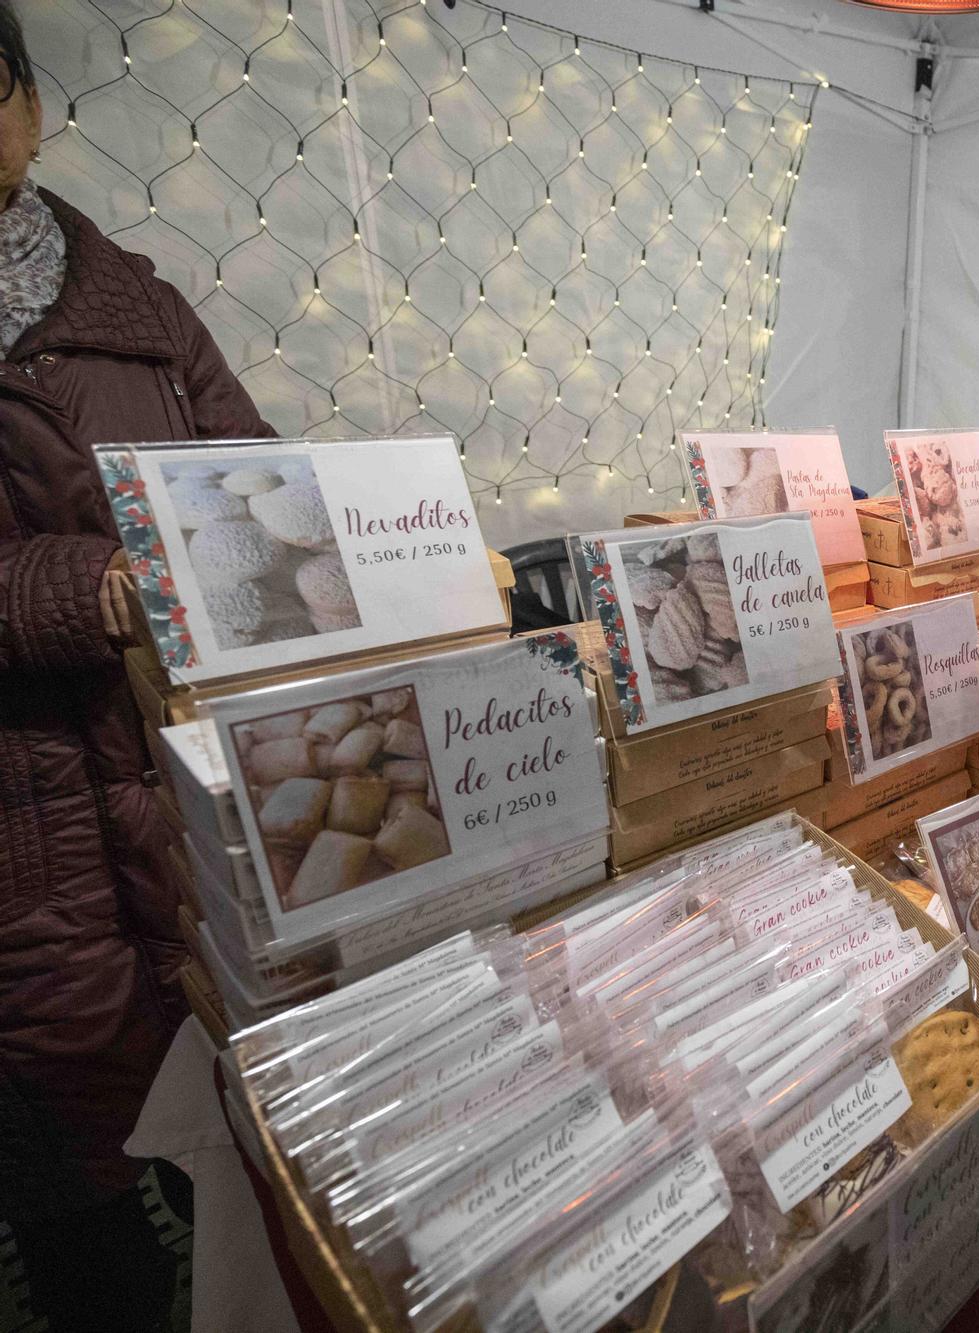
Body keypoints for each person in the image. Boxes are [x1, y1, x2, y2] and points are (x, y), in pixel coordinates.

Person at [0, 4, 273, 1326]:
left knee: (217, 1130)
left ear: (25, 105)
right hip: (26, 837)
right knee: (75, 1212)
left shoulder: (141, 305)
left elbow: (251, 472)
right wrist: (87, 586)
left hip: (169, 789)